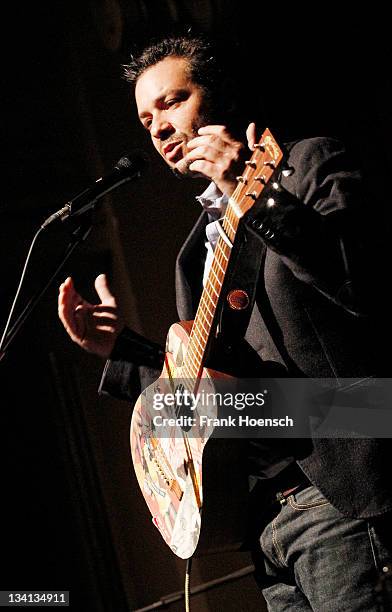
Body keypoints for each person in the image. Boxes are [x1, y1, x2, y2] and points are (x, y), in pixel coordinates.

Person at [58, 34, 392, 611]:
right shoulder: (195, 253)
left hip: (345, 482)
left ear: (221, 98)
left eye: (172, 101)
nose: (158, 128)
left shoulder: (308, 164)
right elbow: (215, 392)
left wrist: (256, 196)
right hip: (267, 521)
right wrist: (126, 348)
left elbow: (362, 283)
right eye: (145, 119)